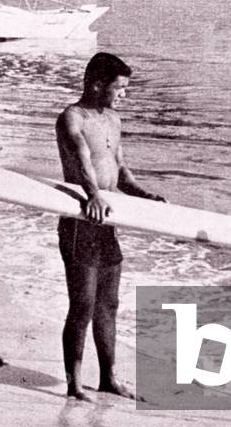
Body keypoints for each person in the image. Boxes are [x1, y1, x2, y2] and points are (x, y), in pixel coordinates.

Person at [55, 52, 165, 401]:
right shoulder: (72, 117)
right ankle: (74, 383)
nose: (123, 95)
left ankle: (108, 378)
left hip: (107, 220)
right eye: (119, 88)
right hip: (80, 219)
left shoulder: (113, 120)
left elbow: (120, 169)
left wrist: (145, 195)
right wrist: (92, 195)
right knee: (83, 304)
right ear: (96, 84)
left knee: (110, 303)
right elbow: (80, 157)